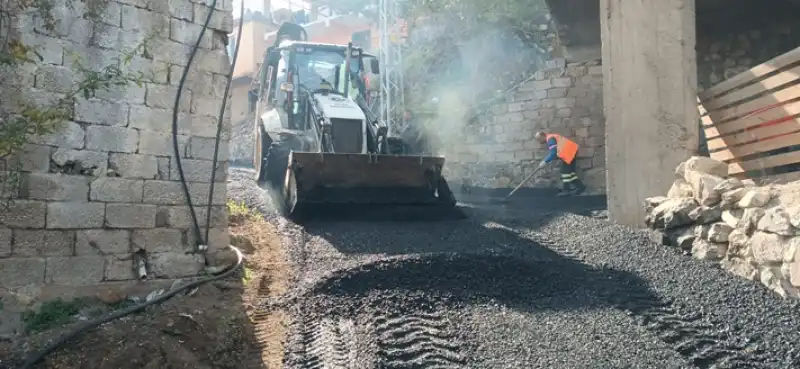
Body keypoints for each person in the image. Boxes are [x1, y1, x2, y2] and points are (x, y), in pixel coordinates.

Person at [534, 131, 586, 196]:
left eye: (539, 139)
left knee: (564, 172)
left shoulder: (551, 139)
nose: (539, 141)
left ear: (542, 136)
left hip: (569, 153)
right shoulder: (551, 137)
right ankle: (580, 187)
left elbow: (553, 153)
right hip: (571, 151)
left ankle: (566, 190)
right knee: (570, 172)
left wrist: (544, 161)